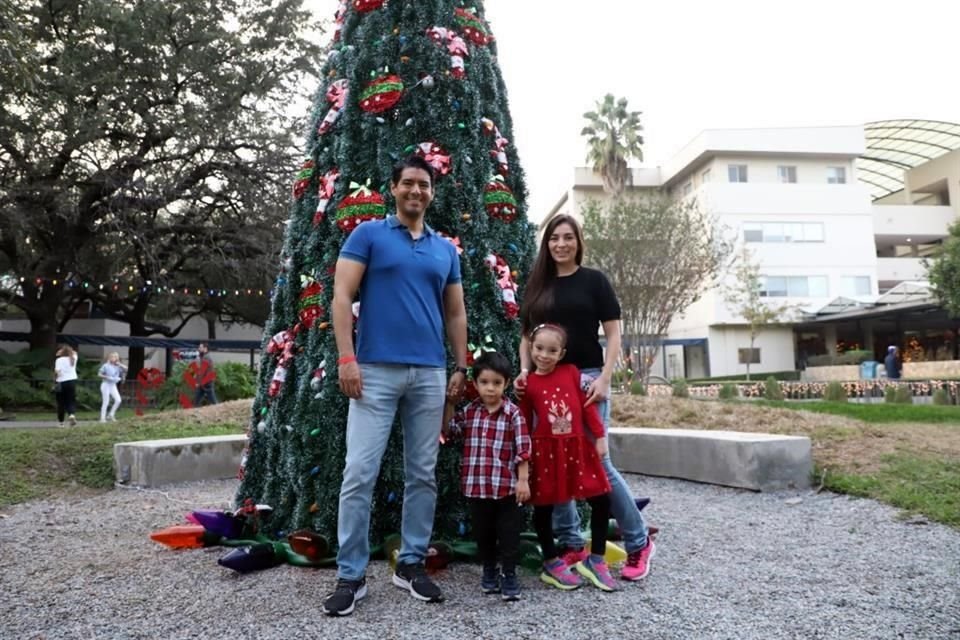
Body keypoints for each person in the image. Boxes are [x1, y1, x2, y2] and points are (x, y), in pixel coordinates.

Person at [323, 156, 468, 617]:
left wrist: (459, 367)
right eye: (408, 183)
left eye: (424, 185)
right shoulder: (367, 235)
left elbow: (456, 313)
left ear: (432, 193)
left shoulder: (445, 250)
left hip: (428, 374)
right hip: (374, 371)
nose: (416, 191)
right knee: (359, 473)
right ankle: (351, 574)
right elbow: (342, 296)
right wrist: (347, 357)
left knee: (422, 473)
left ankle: (410, 564)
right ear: (393, 188)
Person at [517, 214, 656, 581]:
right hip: (546, 384)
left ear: (578, 241)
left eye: (568, 237)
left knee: (599, 463)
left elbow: (613, 335)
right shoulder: (537, 285)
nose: (561, 244)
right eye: (554, 238)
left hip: (588, 382)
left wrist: (607, 379)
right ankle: (570, 542)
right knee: (552, 460)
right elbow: (526, 337)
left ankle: (638, 541)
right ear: (546, 244)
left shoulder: (594, 281)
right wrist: (526, 372)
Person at [520, 323, 617, 592]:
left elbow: (587, 408)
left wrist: (599, 436)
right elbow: (525, 423)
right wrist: (523, 459)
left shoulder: (572, 373)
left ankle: (596, 559)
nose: (544, 355)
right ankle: (551, 561)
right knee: (544, 506)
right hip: (546, 453)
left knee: (601, 499)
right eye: (539, 348)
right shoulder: (528, 384)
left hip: (576, 449)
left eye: (552, 350)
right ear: (531, 348)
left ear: (561, 353)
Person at [442, 351, 530, 601]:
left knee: (509, 534)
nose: (490, 389)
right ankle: (489, 570)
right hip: (477, 487)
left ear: (505, 383)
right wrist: (450, 404)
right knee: (483, 533)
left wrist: (523, 480)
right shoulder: (471, 411)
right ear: (476, 383)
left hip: (506, 489)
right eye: (484, 382)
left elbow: (523, 449)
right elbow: (451, 433)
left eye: (497, 383)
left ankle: (509, 573)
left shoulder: (513, 414)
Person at [98, 352, 127, 422]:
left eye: (116, 357)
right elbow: (99, 374)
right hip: (105, 384)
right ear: (110, 358)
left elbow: (126, 369)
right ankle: (102, 418)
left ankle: (111, 414)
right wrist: (107, 377)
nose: (114, 358)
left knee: (118, 400)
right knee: (106, 401)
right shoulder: (106, 365)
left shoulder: (118, 366)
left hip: (113, 385)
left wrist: (120, 364)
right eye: (113, 357)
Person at [54, 345, 78, 428]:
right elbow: (74, 352)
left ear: (62, 352)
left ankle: (61, 423)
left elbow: (57, 372)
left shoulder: (59, 360)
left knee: (61, 403)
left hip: (61, 383)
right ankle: (71, 415)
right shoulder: (74, 358)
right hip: (71, 382)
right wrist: (68, 351)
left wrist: (59, 353)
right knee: (70, 400)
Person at [192, 342, 218, 406]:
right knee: (196, 400)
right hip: (204, 382)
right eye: (199, 347)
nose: (199, 349)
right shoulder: (203, 357)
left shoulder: (206, 358)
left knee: (213, 401)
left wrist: (197, 382)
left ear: (205, 349)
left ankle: (219, 410)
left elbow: (202, 371)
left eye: (200, 347)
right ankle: (194, 411)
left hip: (207, 382)